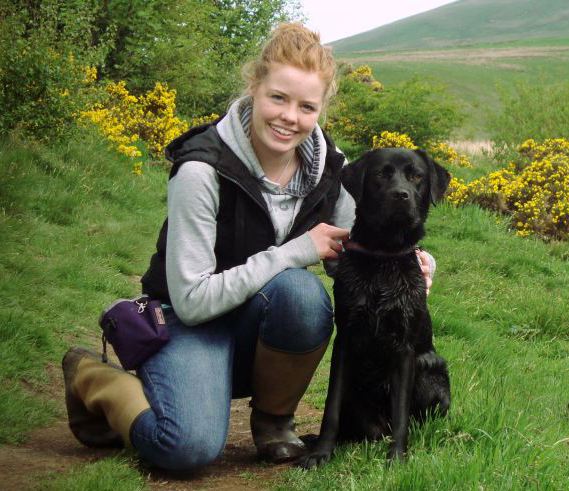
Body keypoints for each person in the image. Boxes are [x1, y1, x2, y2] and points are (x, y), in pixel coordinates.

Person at [62, 22, 435, 471]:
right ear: (255, 87)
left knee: (303, 296)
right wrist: (295, 251)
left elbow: (352, 253)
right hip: (191, 320)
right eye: (278, 97)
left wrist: (407, 264)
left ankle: (273, 420)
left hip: (256, 320)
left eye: (306, 106)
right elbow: (193, 300)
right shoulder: (201, 169)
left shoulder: (331, 170)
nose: (289, 117)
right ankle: (94, 379)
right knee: (185, 447)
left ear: (321, 110)